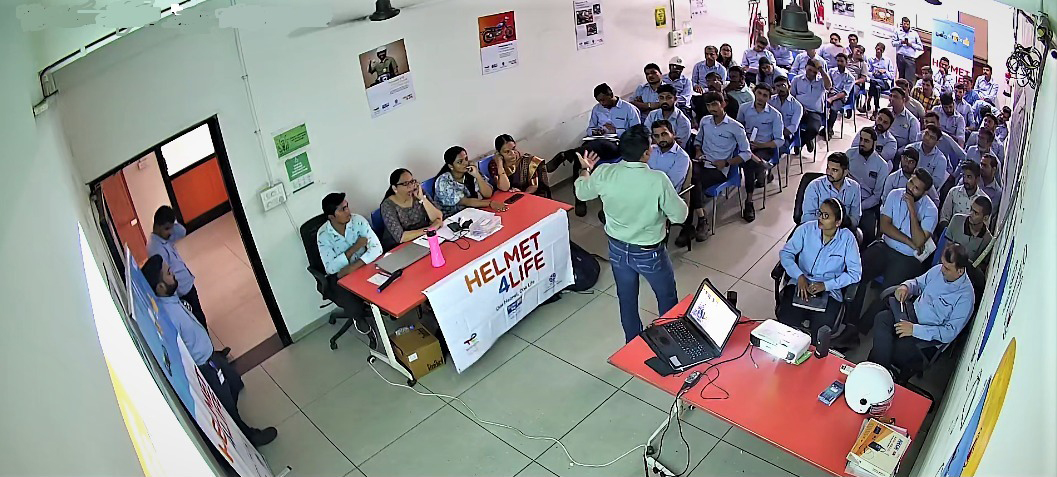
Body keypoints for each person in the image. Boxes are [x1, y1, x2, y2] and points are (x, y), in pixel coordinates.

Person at [140, 255, 277, 447]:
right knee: (226, 405)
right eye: (169, 273)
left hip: (211, 355)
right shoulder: (168, 317)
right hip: (204, 366)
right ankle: (248, 437)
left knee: (233, 384)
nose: (173, 273)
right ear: (160, 287)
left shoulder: (172, 299)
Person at [573, 125, 688, 342]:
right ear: (646, 153)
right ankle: (672, 343)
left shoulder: (605, 172)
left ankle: (632, 344)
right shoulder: (657, 180)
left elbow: (582, 192)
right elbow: (680, 216)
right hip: (649, 252)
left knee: (627, 300)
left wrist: (586, 169)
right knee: (666, 298)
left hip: (617, 248)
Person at [845, 168, 938, 335]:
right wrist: (908, 241)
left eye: (916, 188)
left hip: (907, 259)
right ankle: (849, 322)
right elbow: (885, 226)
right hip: (885, 246)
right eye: (911, 182)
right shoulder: (895, 195)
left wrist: (912, 210)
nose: (911, 188)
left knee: (888, 292)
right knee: (858, 272)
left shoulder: (931, 210)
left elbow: (919, 241)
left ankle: (859, 330)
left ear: (924, 193)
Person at [867, 244, 975, 372]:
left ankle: (874, 370)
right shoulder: (938, 270)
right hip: (911, 314)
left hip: (926, 337)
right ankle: (879, 371)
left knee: (889, 347)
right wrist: (906, 287)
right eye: (942, 264)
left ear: (960, 271)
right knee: (882, 319)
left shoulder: (966, 297)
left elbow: (949, 333)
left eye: (947, 268)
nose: (942, 270)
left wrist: (914, 330)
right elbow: (918, 283)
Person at [778, 198, 862, 343]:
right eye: (820, 213)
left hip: (829, 290)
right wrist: (799, 275)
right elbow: (786, 253)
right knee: (787, 327)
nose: (820, 218)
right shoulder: (806, 229)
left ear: (838, 222)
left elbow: (855, 274)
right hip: (800, 284)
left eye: (826, 216)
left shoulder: (847, 239)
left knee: (821, 333)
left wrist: (826, 285)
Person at [688, 92, 757, 230]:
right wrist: (698, 150)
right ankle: (694, 221)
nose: (711, 108)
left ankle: (699, 221)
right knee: (687, 181)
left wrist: (726, 163)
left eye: (714, 104)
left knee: (693, 183)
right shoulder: (705, 121)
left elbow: (747, 153)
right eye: (708, 105)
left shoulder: (735, 127)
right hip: (702, 162)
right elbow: (698, 140)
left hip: (719, 168)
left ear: (723, 104)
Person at [317, 192, 382, 335]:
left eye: (347, 206)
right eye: (342, 209)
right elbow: (331, 268)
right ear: (331, 217)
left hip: (364, 264)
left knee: (387, 279)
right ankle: (359, 318)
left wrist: (353, 266)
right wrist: (355, 248)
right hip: (340, 276)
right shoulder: (323, 235)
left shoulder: (358, 221)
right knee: (351, 301)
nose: (348, 211)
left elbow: (377, 248)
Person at [149, 206, 212, 333]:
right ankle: (207, 343)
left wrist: (173, 224)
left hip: (186, 284)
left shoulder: (164, 237)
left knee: (199, 316)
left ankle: (207, 341)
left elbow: (182, 232)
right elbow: (164, 278)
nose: (170, 232)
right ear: (157, 226)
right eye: (167, 228)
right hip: (181, 291)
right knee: (196, 321)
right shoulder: (155, 249)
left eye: (171, 228)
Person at [379, 168, 444, 249]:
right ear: (395, 188)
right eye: (406, 184)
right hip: (400, 247)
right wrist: (429, 229)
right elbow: (401, 237)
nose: (411, 186)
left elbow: (438, 217)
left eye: (412, 181)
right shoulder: (387, 205)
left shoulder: (418, 193)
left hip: (423, 239)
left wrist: (422, 199)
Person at [432, 146, 504, 218]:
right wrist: (490, 203)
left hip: (471, 211)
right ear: (451, 166)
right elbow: (466, 202)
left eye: (466, 159)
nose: (465, 163)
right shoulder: (444, 181)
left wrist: (477, 175)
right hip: (451, 217)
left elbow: (488, 194)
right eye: (460, 162)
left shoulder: (471, 171)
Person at [737, 82, 784, 186]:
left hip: (765, 147)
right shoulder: (743, 108)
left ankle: (751, 190)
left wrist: (760, 145)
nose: (761, 98)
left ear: (769, 98)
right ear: (754, 93)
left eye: (765, 95)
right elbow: (738, 128)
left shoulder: (775, 115)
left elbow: (779, 141)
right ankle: (760, 172)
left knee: (749, 163)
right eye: (759, 93)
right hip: (746, 145)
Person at [847, 127, 889, 243]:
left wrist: (859, 206)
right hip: (846, 199)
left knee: (868, 232)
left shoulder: (882, 165)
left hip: (867, 204)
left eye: (866, 141)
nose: (862, 143)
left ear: (874, 143)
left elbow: (877, 196)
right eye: (861, 139)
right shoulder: (849, 155)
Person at [801, 152, 862, 227]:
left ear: (845, 172)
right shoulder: (814, 186)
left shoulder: (854, 187)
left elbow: (855, 218)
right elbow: (808, 218)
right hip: (818, 229)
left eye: (834, 170)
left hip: (843, 229)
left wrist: (841, 226)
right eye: (828, 168)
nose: (829, 173)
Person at [790, 59, 833, 152]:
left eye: (814, 72)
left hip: (814, 112)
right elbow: (791, 97)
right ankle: (802, 140)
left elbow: (829, 86)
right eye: (809, 70)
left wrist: (821, 69)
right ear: (805, 67)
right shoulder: (797, 79)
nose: (811, 73)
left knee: (813, 129)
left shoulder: (821, 81)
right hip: (798, 109)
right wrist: (800, 107)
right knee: (788, 125)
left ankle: (803, 141)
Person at [945, 196, 993, 265]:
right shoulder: (956, 220)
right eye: (971, 209)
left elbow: (980, 266)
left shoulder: (987, 240)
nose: (970, 214)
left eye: (976, 213)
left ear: (985, 218)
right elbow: (946, 248)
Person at [644, 84, 693, 148]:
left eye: (668, 98)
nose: (664, 101)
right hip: (652, 151)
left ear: (675, 99)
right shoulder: (652, 115)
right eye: (661, 98)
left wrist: (655, 140)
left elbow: (677, 146)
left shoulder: (683, 121)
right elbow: (646, 138)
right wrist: (669, 140)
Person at [648, 120, 691, 188]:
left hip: (666, 192)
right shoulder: (650, 150)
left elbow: (670, 184)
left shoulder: (681, 157)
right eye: (656, 136)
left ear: (673, 133)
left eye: (664, 134)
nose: (661, 139)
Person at [909, 125, 950, 195]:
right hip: (908, 184)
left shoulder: (941, 159)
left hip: (927, 192)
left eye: (932, 137)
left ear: (937, 142)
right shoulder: (910, 148)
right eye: (926, 134)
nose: (927, 138)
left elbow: (936, 183)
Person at [769, 76, 804, 149]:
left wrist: (778, 134)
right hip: (768, 132)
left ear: (789, 86)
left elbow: (793, 127)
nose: (780, 88)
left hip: (785, 136)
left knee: (775, 149)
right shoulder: (770, 101)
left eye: (783, 85)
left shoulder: (797, 106)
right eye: (777, 86)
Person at [826, 53, 856, 137]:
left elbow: (844, 93)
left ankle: (829, 128)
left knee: (834, 108)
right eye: (838, 61)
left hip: (840, 97)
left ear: (846, 62)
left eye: (842, 61)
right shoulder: (831, 71)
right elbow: (827, 84)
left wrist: (832, 99)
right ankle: (824, 126)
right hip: (830, 93)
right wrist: (829, 92)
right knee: (819, 104)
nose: (839, 63)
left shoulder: (850, 77)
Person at [866, 43, 895, 118]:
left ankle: (868, 100)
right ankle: (876, 109)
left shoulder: (887, 61)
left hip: (884, 82)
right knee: (876, 87)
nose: (878, 51)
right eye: (877, 49)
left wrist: (885, 72)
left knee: (873, 82)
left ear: (883, 51)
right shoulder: (871, 60)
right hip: (874, 81)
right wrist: (873, 73)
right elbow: (867, 72)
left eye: (880, 50)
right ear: (875, 49)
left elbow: (892, 75)